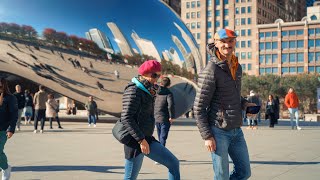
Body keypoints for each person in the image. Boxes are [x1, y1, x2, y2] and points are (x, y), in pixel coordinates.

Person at [193, 29, 255, 180]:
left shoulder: (236, 66)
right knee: (222, 176)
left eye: (231, 41)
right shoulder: (211, 70)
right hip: (218, 131)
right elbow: (199, 107)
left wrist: (245, 104)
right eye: (223, 41)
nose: (228, 45)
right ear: (216, 43)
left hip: (236, 130)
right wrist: (207, 136)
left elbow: (233, 96)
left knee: (244, 172)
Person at [122, 60, 180, 180]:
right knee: (130, 178)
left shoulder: (149, 90)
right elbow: (126, 117)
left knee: (173, 163)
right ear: (144, 73)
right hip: (135, 142)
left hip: (147, 138)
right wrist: (141, 140)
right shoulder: (134, 90)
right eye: (154, 75)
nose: (156, 78)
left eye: (159, 75)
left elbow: (164, 90)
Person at [0, 78, 18, 180]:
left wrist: (11, 129)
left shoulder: (11, 98)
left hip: (3, 129)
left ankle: (6, 168)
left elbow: (14, 115)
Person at [154, 77, 175, 149]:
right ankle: (161, 156)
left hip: (156, 117)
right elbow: (170, 105)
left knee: (160, 137)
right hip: (164, 118)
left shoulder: (156, 92)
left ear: (161, 83)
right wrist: (171, 117)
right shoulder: (168, 93)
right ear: (169, 85)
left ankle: (160, 155)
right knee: (163, 138)